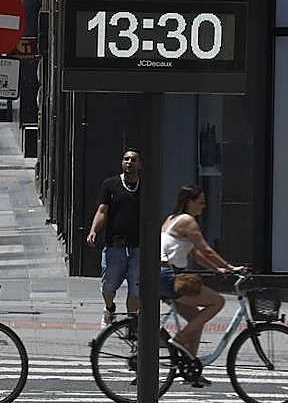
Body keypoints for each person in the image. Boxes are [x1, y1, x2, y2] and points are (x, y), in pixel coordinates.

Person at [160, 185, 245, 380]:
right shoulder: (188, 221)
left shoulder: (171, 219)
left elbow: (195, 255)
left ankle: (191, 368)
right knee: (218, 302)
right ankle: (180, 339)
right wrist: (231, 267)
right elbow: (206, 250)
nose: (204, 206)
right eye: (201, 202)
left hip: (162, 275)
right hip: (169, 277)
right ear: (190, 201)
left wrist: (217, 269)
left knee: (195, 319)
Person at [86, 148, 143, 327]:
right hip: (114, 245)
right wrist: (94, 230)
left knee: (135, 288)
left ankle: (132, 324)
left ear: (139, 164)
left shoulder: (146, 186)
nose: (129, 162)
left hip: (138, 246)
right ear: (121, 162)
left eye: (133, 160)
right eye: (126, 159)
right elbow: (103, 210)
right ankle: (110, 309)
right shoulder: (110, 185)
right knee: (108, 286)